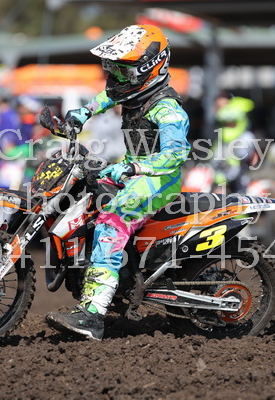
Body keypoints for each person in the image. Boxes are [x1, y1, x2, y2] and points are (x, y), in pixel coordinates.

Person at [46, 25, 190, 340]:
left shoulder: (167, 109)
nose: (115, 77)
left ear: (148, 68)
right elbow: (107, 97)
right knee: (86, 198)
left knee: (111, 222)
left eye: (123, 71)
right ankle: (112, 276)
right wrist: (81, 114)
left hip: (158, 179)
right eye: (112, 69)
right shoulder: (133, 93)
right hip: (134, 170)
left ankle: (93, 315)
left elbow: (176, 154)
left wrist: (134, 166)